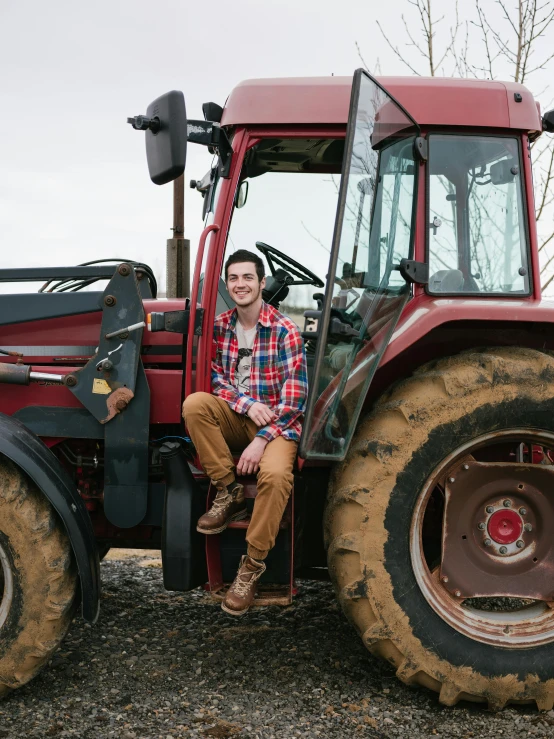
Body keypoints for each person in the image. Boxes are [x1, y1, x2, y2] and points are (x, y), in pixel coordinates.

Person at [182, 248, 308, 616]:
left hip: (279, 426)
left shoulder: (285, 331)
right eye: (234, 278)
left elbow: (294, 401)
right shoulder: (220, 327)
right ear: (227, 284)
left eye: (248, 277)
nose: (240, 284)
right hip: (243, 415)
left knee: (273, 475)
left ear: (261, 283)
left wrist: (261, 439)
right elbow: (216, 380)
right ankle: (228, 489)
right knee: (195, 404)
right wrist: (247, 406)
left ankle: (251, 567)